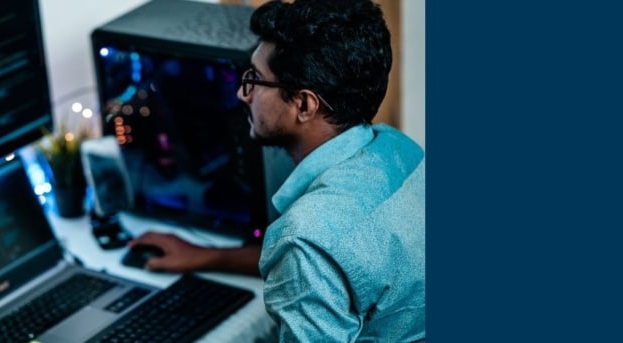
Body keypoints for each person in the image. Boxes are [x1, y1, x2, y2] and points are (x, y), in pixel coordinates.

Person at [128, 0, 425, 341]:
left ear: (303, 104)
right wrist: (208, 256)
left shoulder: (305, 238)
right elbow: (337, 259)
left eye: (255, 78)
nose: (242, 94)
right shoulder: (398, 149)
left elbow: (312, 248)